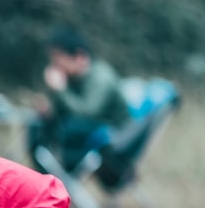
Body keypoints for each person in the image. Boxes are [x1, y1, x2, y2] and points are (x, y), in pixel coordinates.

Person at [27, 26, 133, 189]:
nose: (55, 66)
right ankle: (42, 184)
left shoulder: (101, 76)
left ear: (79, 56)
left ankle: (56, 184)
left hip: (112, 144)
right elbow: (67, 110)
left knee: (68, 127)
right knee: (36, 125)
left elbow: (87, 112)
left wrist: (60, 89)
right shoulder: (73, 79)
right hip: (88, 135)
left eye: (58, 60)